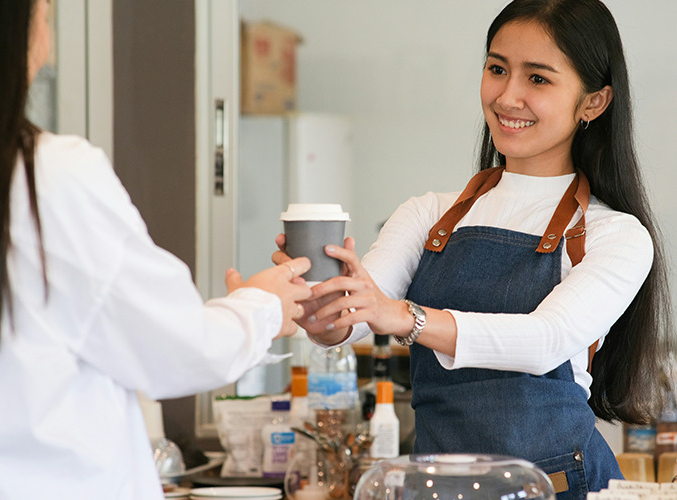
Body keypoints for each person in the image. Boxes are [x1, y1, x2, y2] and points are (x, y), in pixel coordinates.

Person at [275, 0, 673, 496]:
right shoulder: (428, 215)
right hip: (438, 485)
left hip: (558, 487)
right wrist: (322, 309)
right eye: (497, 69)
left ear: (593, 102)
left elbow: (543, 341)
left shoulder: (615, 235)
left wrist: (406, 317)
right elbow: (356, 317)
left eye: (538, 79)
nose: (508, 96)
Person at [0, 0, 312, 498]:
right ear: (13, 32)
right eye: (44, 14)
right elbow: (178, 348)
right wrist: (264, 305)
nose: (47, 47)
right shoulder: (46, 178)